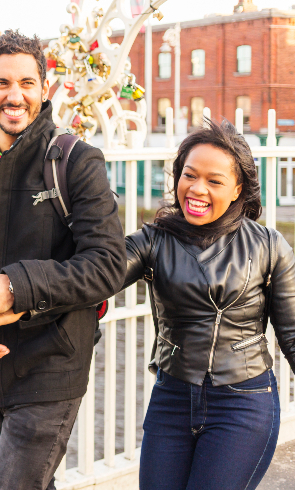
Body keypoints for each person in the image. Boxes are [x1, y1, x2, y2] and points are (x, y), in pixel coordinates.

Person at [0, 30, 126, 490]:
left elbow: (107, 263)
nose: (15, 96)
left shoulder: (75, 161)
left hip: (51, 363)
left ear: (44, 89)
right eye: (2, 83)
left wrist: (15, 287)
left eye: (27, 83)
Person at [123, 119, 295, 490]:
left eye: (214, 181)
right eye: (189, 175)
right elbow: (94, 275)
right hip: (170, 398)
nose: (197, 189)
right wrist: (18, 290)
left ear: (238, 189)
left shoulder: (268, 245)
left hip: (243, 404)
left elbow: (293, 334)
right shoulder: (153, 241)